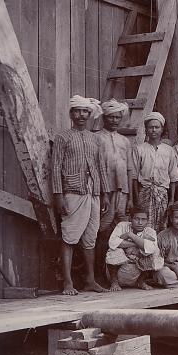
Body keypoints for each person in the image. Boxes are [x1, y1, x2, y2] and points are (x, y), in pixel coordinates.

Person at [52, 95, 110, 295]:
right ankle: (68, 282)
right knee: (69, 236)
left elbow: (101, 167)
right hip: (73, 192)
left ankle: (90, 280)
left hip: (93, 192)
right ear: (71, 114)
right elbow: (55, 167)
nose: (81, 115)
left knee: (90, 238)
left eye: (85, 111)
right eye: (77, 111)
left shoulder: (95, 139)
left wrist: (105, 194)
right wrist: (58, 195)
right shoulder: (63, 137)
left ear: (90, 114)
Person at [94, 99, 134, 282]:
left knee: (123, 230)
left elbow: (129, 170)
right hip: (105, 192)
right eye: (111, 117)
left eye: (118, 117)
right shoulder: (97, 138)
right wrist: (102, 194)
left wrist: (131, 197)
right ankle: (99, 273)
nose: (115, 120)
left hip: (123, 192)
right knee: (102, 231)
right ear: (104, 117)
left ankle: (122, 275)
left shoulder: (125, 141)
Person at [132, 112, 178, 231]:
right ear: (146, 129)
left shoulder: (169, 151)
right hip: (144, 192)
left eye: (157, 127)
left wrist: (172, 199)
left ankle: (158, 249)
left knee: (161, 225)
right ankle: (143, 248)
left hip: (162, 194)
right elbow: (134, 175)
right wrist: (136, 197)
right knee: (143, 225)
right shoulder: (139, 149)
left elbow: (173, 176)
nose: (153, 130)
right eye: (150, 127)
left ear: (162, 129)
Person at [105, 207, 167, 291]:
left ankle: (141, 282)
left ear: (147, 220)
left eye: (143, 219)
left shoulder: (150, 231)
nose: (140, 223)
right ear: (130, 218)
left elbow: (150, 248)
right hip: (120, 271)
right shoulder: (122, 225)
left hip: (136, 274)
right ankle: (114, 282)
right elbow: (112, 243)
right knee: (114, 250)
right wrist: (138, 244)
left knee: (155, 251)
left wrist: (130, 235)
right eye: (137, 219)